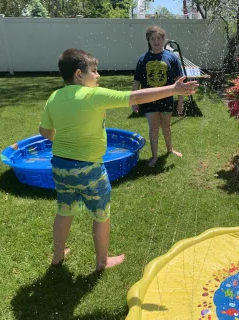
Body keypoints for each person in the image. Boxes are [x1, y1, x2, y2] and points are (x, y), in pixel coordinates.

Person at [39, 48, 198, 271]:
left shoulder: (54, 97)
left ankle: (57, 256)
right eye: (93, 71)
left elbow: (45, 131)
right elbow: (135, 97)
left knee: (65, 209)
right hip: (89, 167)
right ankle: (102, 261)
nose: (98, 75)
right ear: (79, 74)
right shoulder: (92, 95)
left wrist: (67, 138)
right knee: (101, 214)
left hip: (60, 165)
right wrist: (173, 89)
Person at [132, 25, 184, 167]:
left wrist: (180, 102)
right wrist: (134, 101)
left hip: (167, 99)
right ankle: (154, 157)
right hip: (149, 100)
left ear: (163, 39)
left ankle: (170, 149)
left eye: (159, 38)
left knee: (166, 125)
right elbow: (136, 81)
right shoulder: (143, 59)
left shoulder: (172, 57)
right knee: (153, 127)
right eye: (153, 38)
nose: (156, 41)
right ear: (148, 40)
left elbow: (180, 82)